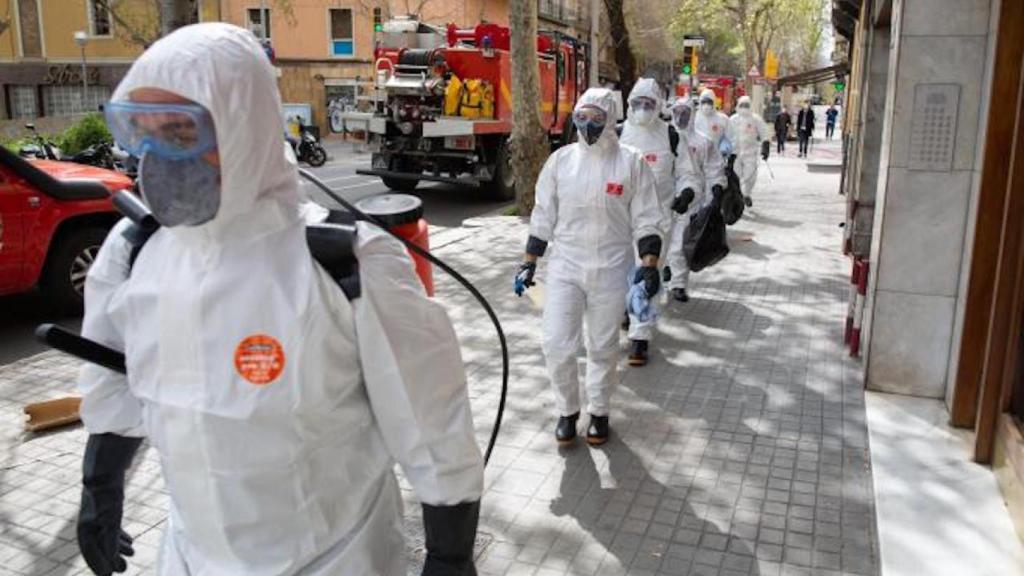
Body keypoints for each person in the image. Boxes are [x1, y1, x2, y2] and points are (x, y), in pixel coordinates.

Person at [77, 23, 483, 576]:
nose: (154, 159)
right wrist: (100, 488)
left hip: (335, 558)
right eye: (140, 132)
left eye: (180, 132)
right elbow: (113, 381)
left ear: (243, 124)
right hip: (190, 555)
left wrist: (450, 556)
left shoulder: (345, 264)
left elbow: (432, 420)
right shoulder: (133, 257)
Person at [514, 88, 663, 447]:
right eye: (582, 116)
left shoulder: (631, 162)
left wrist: (649, 265)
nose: (588, 124)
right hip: (565, 268)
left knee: (602, 346)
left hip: (612, 269)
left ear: (610, 119)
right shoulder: (560, 162)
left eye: (597, 118)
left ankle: (598, 411)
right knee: (555, 343)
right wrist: (529, 263)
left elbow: (647, 219)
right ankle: (567, 411)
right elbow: (543, 215)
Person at [618, 77, 675, 367]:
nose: (642, 109)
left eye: (648, 104)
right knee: (621, 275)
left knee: (646, 276)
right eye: (637, 103)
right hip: (620, 219)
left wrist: (688, 192)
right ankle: (626, 313)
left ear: (658, 106)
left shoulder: (671, 135)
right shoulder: (617, 133)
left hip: (657, 220)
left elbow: (688, 171)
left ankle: (639, 339)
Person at [665, 99, 726, 303]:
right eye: (677, 111)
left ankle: (679, 284)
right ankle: (665, 272)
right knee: (662, 242)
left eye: (685, 112)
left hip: (691, 200)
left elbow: (714, 168)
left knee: (679, 244)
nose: (681, 116)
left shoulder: (703, 141)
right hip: (661, 200)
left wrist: (716, 190)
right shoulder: (663, 138)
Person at [727, 95, 770, 207]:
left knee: (750, 176)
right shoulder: (733, 119)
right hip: (735, 153)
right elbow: (726, 134)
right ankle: (738, 197)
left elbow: (764, 133)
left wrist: (765, 147)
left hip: (750, 153)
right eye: (742, 105)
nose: (744, 107)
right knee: (736, 177)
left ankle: (746, 194)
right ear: (738, 106)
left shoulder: (755, 119)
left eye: (747, 105)